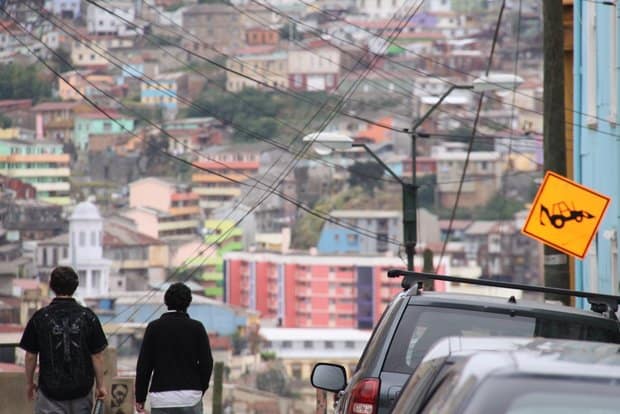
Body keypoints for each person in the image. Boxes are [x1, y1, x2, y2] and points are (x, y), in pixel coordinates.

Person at [19, 266, 108, 413]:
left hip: (49, 393)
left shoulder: (40, 318)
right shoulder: (88, 317)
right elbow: (97, 355)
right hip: (82, 391)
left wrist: (29, 383)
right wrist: (100, 385)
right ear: (75, 286)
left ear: (51, 285)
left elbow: (30, 356)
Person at [135, 282, 213, 414]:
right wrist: (200, 389)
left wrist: (140, 397)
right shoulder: (197, 328)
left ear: (166, 301)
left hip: (161, 398)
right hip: (191, 396)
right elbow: (207, 363)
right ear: (188, 302)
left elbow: (144, 366)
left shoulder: (154, 328)